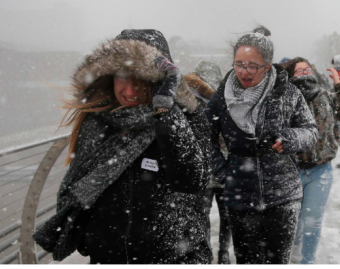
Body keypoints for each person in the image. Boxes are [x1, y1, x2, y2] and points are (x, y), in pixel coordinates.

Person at [34, 29, 212, 265]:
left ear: (160, 80)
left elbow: (191, 179)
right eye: (122, 78)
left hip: (174, 259)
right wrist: (91, 240)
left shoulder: (188, 118)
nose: (129, 91)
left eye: (141, 81)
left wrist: (165, 111)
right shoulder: (98, 121)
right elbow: (75, 185)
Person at [206, 28, 318, 265]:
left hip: (283, 194)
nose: (244, 72)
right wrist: (221, 171)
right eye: (239, 64)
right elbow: (204, 135)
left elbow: (311, 131)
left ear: (267, 66)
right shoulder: (223, 95)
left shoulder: (287, 92)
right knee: (246, 260)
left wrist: (290, 139)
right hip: (240, 192)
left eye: (252, 66)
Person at [283, 57, 340, 265]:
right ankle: (293, 248)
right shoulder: (285, 100)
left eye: (307, 69)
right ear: (291, 75)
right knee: (295, 220)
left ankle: (307, 261)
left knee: (312, 221)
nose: (304, 73)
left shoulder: (326, 97)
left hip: (320, 170)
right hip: (291, 170)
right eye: (299, 71)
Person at [186, 60, 232, 265]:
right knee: (226, 215)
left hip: (205, 170)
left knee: (202, 216)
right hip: (223, 168)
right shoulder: (225, 101)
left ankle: (209, 252)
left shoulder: (189, 104)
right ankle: (222, 253)